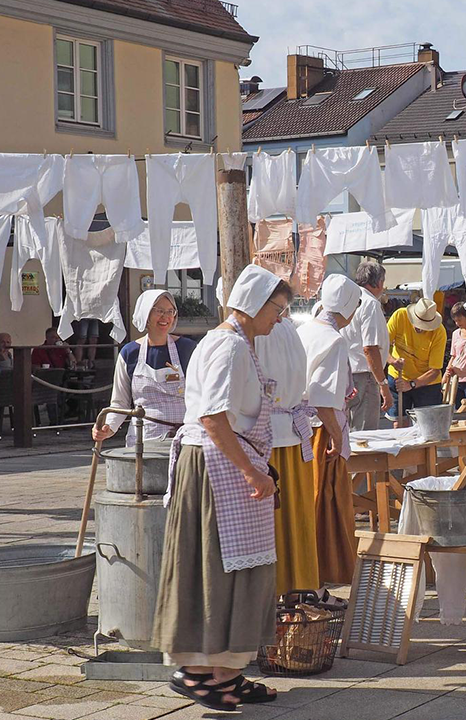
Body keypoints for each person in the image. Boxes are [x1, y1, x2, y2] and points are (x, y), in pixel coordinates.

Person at [151, 264, 286, 711]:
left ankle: (227, 671)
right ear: (253, 305)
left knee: (239, 572)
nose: (280, 318)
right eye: (277, 308)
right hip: (216, 467)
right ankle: (196, 670)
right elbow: (212, 417)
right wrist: (251, 473)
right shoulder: (227, 346)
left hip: (227, 462)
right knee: (214, 569)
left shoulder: (239, 345)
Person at [255, 290, 320, 595]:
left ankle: (278, 586)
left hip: (266, 437)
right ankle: (301, 581)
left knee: (275, 519)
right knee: (297, 514)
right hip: (292, 432)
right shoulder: (291, 330)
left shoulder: (258, 334)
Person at [298, 274, 362, 586]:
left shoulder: (304, 329)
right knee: (325, 500)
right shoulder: (334, 340)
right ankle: (323, 572)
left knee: (309, 500)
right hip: (322, 430)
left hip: (301, 428)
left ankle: (309, 573)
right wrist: (337, 436)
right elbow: (324, 398)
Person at [93, 291, 196, 447]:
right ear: (146, 314)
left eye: (170, 311)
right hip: (143, 439)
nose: (165, 317)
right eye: (159, 311)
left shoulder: (187, 349)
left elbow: (202, 395)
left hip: (184, 438)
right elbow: (120, 403)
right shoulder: (129, 353)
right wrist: (108, 428)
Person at [342, 259, 393, 430]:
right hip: (364, 375)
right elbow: (370, 348)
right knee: (364, 433)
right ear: (379, 282)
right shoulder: (369, 304)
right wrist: (383, 384)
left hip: (348, 371)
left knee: (349, 430)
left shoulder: (348, 298)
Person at [386, 297, 447, 425]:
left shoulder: (439, 332)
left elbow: (435, 371)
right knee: (399, 423)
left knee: (428, 428)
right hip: (399, 378)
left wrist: (412, 384)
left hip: (427, 383)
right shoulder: (399, 316)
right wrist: (392, 361)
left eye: (425, 326)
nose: (421, 328)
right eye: (418, 323)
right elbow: (382, 346)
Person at [442, 302, 466, 405]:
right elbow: (454, 356)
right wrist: (446, 375)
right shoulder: (456, 334)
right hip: (458, 379)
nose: (457, 323)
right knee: (458, 410)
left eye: (459, 320)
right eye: (455, 320)